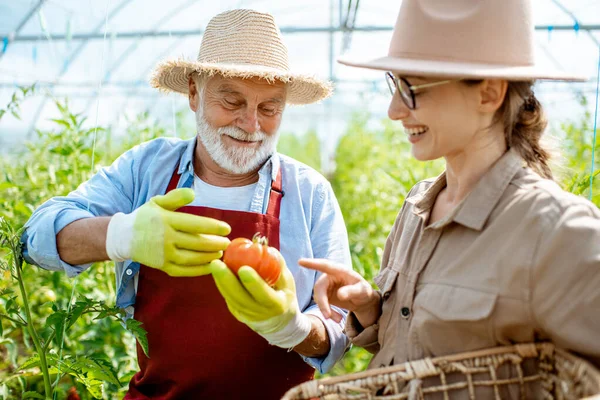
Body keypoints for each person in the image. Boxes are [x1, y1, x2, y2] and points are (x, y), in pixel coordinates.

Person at [22, 9, 351, 399]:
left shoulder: (309, 193)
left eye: (269, 108)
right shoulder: (147, 169)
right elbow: (35, 237)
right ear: (194, 93)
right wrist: (121, 235)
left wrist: (292, 329)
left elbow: (341, 329)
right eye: (232, 100)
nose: (250, 124)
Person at [300, 0, 600, 397]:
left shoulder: (555, 230)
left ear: (489, 93)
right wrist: (371, 307)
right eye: (394, 84)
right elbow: (411, 347)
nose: (393, 110)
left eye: (412, 88)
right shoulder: (417, 206)